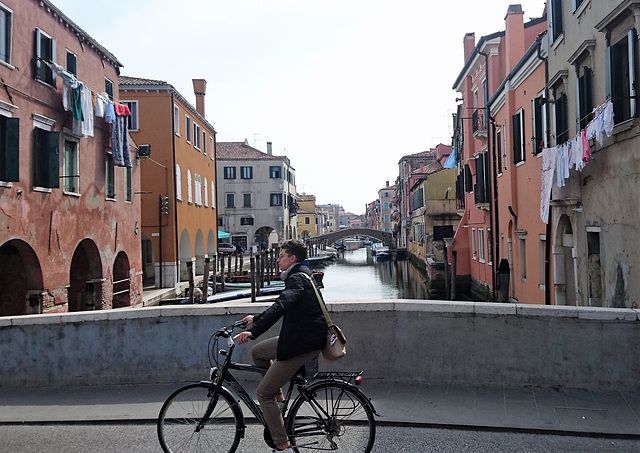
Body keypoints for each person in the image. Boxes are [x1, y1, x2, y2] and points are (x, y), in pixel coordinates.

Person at [234, 239, 327, 453]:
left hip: (302, 344)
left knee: (262, 393)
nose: (277, 259)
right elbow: (282, 306)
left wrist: (253, 331)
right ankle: (279, 398)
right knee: (258, 352)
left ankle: (281, 441)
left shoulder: (297, 279)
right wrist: (256, 319)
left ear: (292, 258)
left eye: (281, 255)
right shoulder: (302, 274)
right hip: (300, 337)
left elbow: (281, 305)